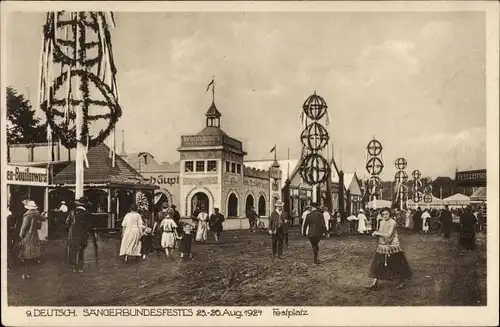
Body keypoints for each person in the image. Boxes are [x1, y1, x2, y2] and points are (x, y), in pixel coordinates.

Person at [367, 207, 412, 290]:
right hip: (383, 244)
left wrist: (377, 233)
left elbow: (388, 234)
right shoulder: (381, 222)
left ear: (390, 214)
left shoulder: (393, 222)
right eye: (383, 214)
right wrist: (376, 235)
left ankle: (401, 281)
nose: (385, 216)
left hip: (393, 245)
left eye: (386, 214)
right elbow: (381, 233)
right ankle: (374, 283)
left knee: (396, 264)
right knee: (378, 263)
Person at [66, 197, 95, 273]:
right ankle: (80, 267)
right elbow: (88, 226)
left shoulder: (72, 212)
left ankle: (74, 266)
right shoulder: (86, 213)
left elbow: (67, 222)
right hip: (81, 233)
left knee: (73, 249)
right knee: (81, 249)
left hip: (72, 233)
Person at [18, 200, 44, 279]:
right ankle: (30, 272)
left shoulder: (27, 215)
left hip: (27, 235)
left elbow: (24, 226)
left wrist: (21, 234)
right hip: (34, 234)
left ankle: (25, 273)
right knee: (32, 251)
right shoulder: (37, 214)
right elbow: (41, 222)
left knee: (26, 252)